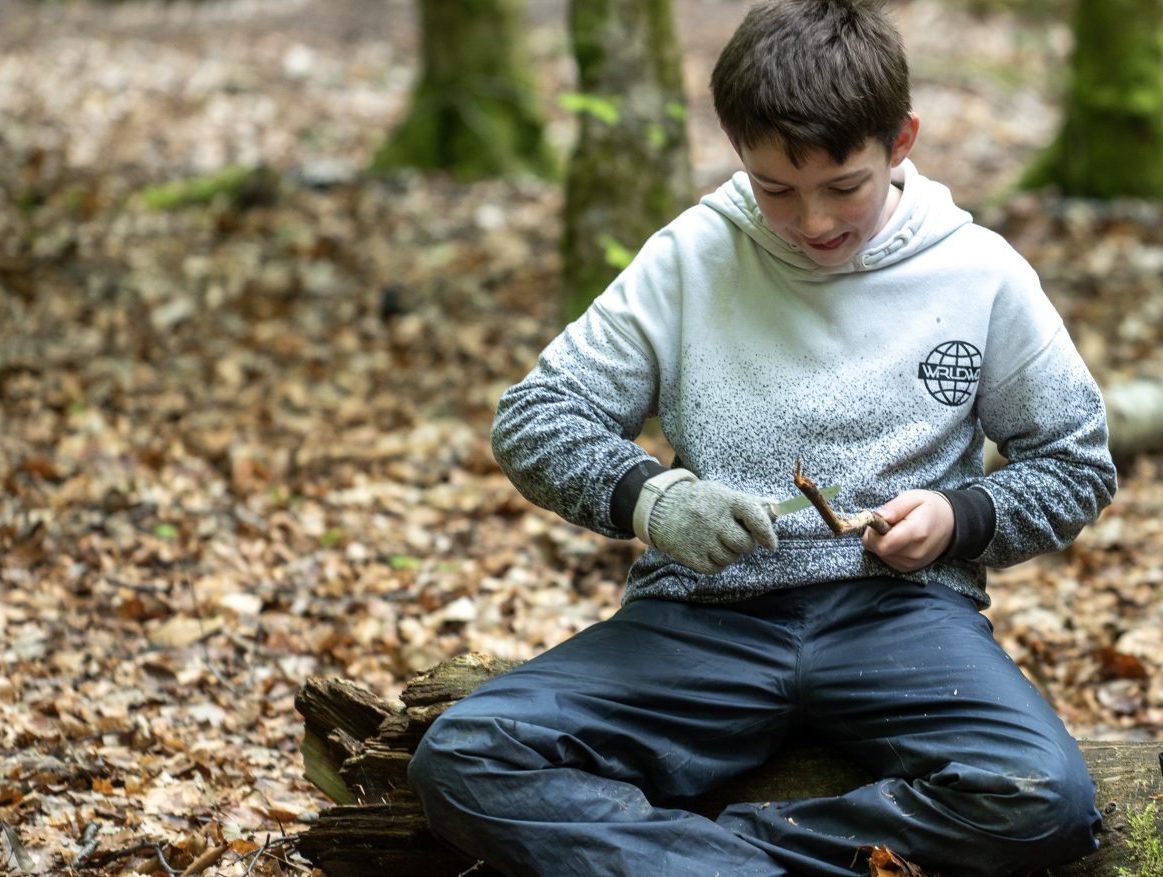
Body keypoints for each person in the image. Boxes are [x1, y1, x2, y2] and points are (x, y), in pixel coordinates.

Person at [407, 0, 1117, 873]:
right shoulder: (691, 257)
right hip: (701, 618)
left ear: (900, 141)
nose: (813, 222)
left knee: (1043, 797)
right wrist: (655, 499)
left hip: (902, 617)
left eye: (842, 187)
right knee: (466, 755)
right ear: (738, 151)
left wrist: (960, 518)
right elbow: (534, 417)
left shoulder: (980, 273)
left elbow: (1076, 462)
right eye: (775, 189)